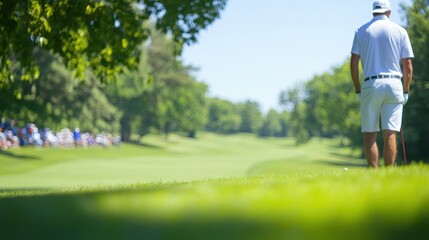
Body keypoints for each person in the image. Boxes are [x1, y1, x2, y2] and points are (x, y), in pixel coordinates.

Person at [350, 0, 414, 168]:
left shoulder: (361, 31)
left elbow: (354, 64)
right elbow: (407, 65)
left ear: (373, 12)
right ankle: (388, 174)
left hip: (371, 84)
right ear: (389, 12)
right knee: (390, 132)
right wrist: (405, 90)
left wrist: (358, 89)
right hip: (394, 84)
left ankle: (373, 174)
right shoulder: (400, 31)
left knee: (370, 134)